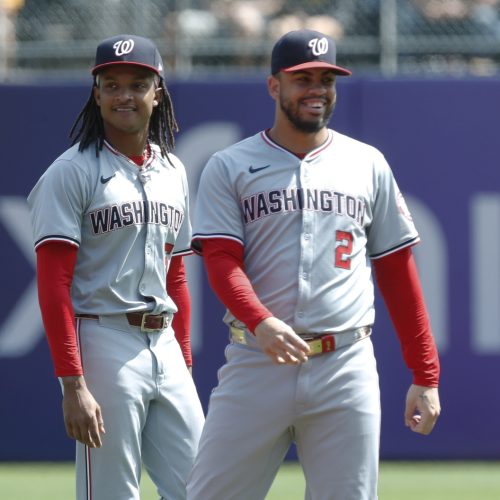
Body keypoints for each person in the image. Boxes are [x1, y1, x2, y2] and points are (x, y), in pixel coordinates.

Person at [187, 29, 441, 500]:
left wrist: (425, 375)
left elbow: (397, 272)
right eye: (302, 78)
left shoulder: (366, 163)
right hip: (255, 359)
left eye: (327, 78)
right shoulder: (231, 165)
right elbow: (221, 261)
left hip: (344, 364)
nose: (316, 90)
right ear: (273, 86)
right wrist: (260, 321)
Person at [27, 34, 204, 500]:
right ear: (97, 93)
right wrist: (73, 383)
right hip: (103, 336)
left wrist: (183, 360)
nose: (125, 94)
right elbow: (53, 284)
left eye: (137, 83)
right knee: (112, 492)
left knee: (208, 485)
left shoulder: (173, 169)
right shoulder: (72, 171)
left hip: (163, 340)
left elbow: (177, 275)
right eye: (112, 84)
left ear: (158, 91)